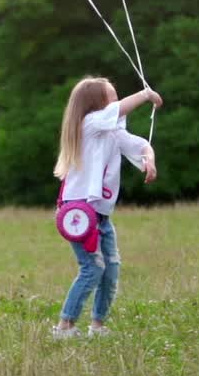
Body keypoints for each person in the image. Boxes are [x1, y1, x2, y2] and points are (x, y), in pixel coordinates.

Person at [50, 77, 161, 339]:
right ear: (96, 106)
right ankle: (64, 327)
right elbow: (119, 110)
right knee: (93, 268)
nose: (117, 102)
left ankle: (97, 326)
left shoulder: (111, 132)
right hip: (79, 212)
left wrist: (149, 160)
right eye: (111, 98)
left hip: (100, 214)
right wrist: (145, 95)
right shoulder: (88, 124)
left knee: (111, 268)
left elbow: (140, 145)